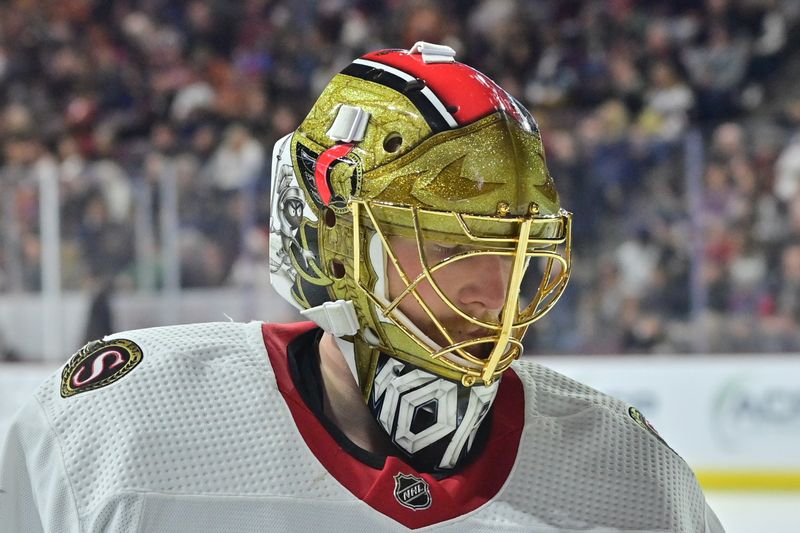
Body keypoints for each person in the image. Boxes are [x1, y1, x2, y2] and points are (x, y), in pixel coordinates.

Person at [0, 42, 724, 532]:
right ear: (331, 239)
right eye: (450, 243)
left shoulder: (636, 483)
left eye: (515, 248)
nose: (494, 290)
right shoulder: (121, 429)